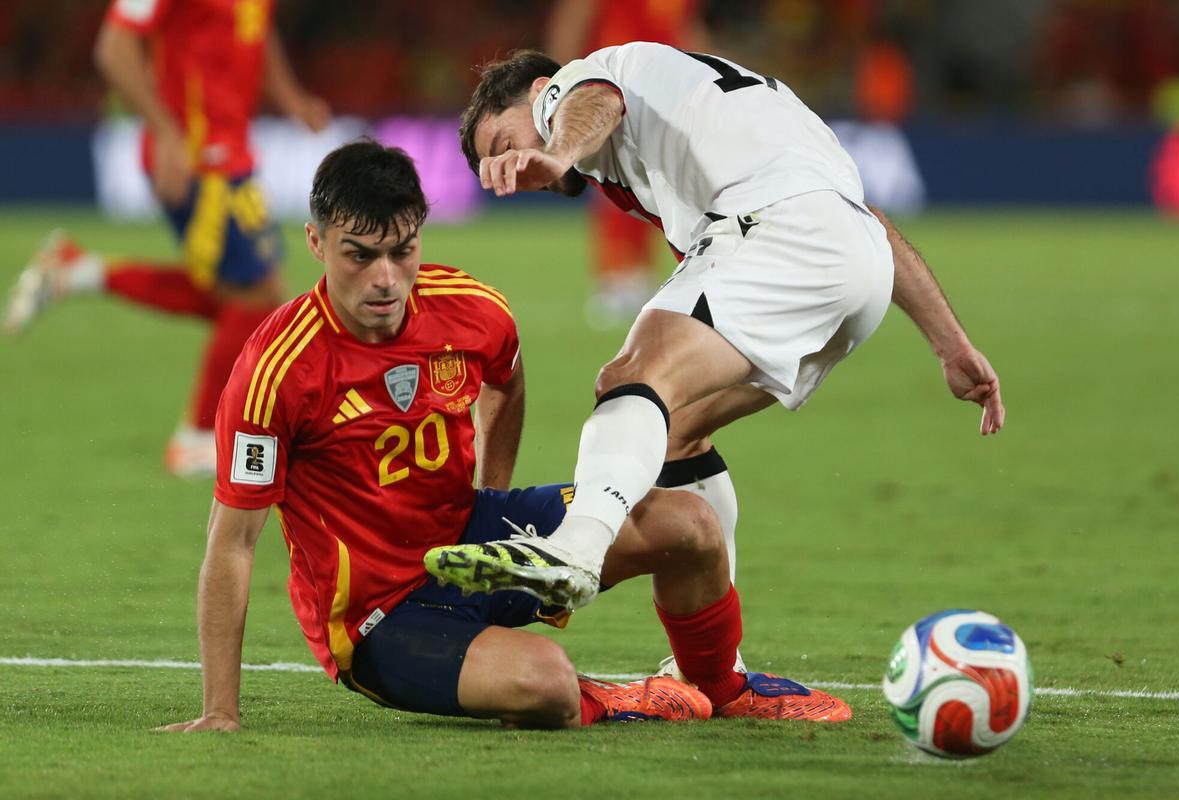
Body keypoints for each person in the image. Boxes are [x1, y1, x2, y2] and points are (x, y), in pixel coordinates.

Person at [160, 140, 850, 732]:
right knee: (544, 682)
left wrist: (491, 498)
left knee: (691, 526)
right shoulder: (277, 368)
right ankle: (623, 702)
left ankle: (725, 693)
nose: (385, 279)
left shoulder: (471, 311)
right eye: (359, 255)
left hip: (470, 538)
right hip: (377, 617)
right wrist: (221, 708)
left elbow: (506, 381)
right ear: (315, 242)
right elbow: (234, 544)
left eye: (402, 251)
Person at [428, 45, 1005, 620]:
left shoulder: (580, 82)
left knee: (629, 381)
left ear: (535, 94)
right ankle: (710, 665)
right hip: (858, 271)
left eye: (502, 147)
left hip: (781, 237)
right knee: (671, 428)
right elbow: (866, 222)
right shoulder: (709, 104)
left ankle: (576, 549)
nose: (510, 173)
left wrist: (554, 152)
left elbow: (595, 101)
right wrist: (951, 345)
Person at [3, 0, 328, 477]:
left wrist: (290, 97)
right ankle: (195, 438)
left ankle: (76, 270)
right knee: (256, 295)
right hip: (195, 157)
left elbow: (257, 27)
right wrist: (167, 132)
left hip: (232, 154)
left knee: (242, 300)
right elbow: (113, 47)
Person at [545, 0, 709, 328]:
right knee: (615, 176)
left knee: (657, 183)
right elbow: (573, 18)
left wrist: (713, 72)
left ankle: (640, 275)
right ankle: (615, 277)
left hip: (663, 93)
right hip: (608, 88)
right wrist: (559, 83)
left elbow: (684, 30)